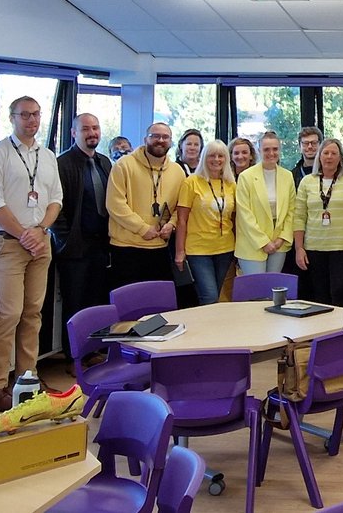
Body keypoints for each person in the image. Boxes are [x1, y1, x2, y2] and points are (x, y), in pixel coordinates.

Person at [0, 96, 63, 411]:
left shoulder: (48, 156)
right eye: (25, 115)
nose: (32, 120)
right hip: (7, 243)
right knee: (10, 313)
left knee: (33, 313)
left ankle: (27, 378)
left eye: (36, 114)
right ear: (11, 117)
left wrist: (40, 230)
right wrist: (24, 235)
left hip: (41, 241)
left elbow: (55, 199)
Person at [52, 113, 112, 363]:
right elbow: (55, 207)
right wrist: (65, 238)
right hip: (74, 247)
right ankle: (74, 356)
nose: (92, 133)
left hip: (101, 244)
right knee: (75, 303)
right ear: (74, 133)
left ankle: (95, 350)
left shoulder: (104, 162)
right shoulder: (62, 164)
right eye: (86, 129)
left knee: (97, 300)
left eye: (96, 128)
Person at [106, 122, 185, 288]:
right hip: (126, 247)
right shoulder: (124, 165)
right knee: (129, 306)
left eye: (165, 137)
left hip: (160, 248)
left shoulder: (177, 171)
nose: (160, 140)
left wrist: (171, 225)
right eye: (155, 136)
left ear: (171, 142)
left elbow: (181, 206)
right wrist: (142, 228)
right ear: (145, 139)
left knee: (158, 304)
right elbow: (115, 204)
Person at [293, 138, 343, 307]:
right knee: (319, 295)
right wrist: (299, 248)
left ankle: (339, 332)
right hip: (314, 247)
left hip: (342, 248)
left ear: (340, 158)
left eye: (334, 153)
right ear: (319, 157)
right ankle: (322, 332)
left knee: (340, 292)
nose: (329, 157)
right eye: (325, 153)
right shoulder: (307, 182)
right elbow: (299, 216)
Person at [174, 140, 236, 305]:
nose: (216, 160)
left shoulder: (231, 184)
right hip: (198, 250)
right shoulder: (191, 182)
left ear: (226, 159)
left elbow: (235, 217)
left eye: (221, 156)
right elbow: (181, 220)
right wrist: (180, 251)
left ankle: (219, 329)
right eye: (211, 156)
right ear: (203, 158)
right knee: (209, 296)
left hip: (226, 248)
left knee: (222, 297)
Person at [235, 131, 295, 275]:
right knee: (257, 294)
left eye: (275, 149)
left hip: (278, 244)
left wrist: (282, 238)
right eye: (266, 149)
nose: (271, 153)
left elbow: (291, 211)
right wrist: (263, 242)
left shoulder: (287, 176)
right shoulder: (246, 177)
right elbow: (244, 215)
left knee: (272, 292)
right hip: (252, 245)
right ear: (259, 150)